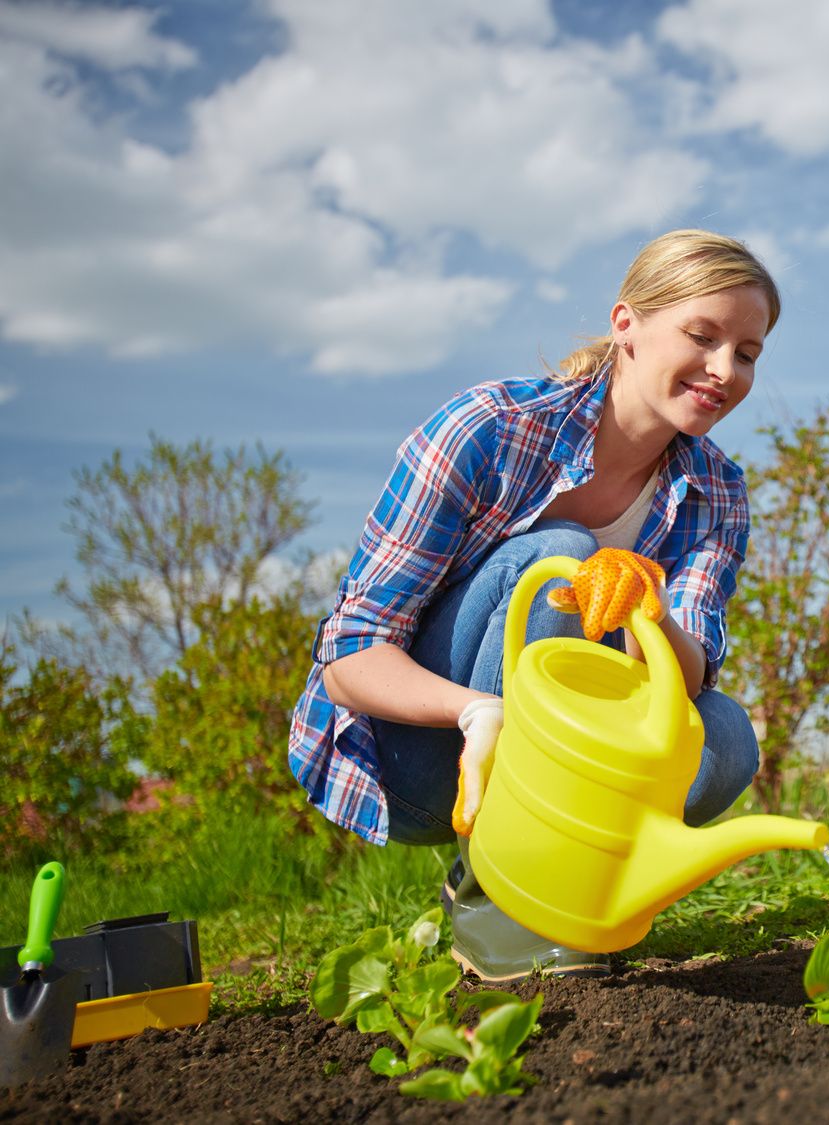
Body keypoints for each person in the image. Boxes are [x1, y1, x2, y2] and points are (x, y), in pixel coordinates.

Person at [288, 229, 779, 979]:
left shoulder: (717, 492)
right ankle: (497, 894)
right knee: (560, 558)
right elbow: (349, 658)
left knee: (725, 738)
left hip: (561, 760)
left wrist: (648, 607)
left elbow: (690, 675)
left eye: (745, 353)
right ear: (627, 326)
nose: (723, 369)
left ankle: (557, 878)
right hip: (430, 755)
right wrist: (478, 710)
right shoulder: (488, 430)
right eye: (702, 336)